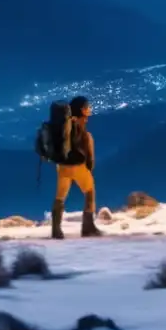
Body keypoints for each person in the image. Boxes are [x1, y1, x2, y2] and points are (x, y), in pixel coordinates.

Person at [52, 96, 102, 239]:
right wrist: (89, 166)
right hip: (77, 166)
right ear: (81, 109)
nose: (89, 110)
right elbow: (87, 152)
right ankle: (87, 226)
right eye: (87, 107)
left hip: (62, 167)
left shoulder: (63, 125)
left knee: (60, 197)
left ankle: (56, 230)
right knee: (90, 190)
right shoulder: (80, 125)